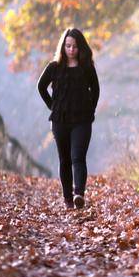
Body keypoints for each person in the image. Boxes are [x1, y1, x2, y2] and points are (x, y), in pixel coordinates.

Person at [37, 28, 100, 209]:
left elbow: (95, 90)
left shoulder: (86, 68)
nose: (71, 50)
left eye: (75, 46)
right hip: (60, 121)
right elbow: (41, 87)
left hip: (82, 121)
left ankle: (79, 194)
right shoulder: (54, 67)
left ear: (81, 48)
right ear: (63, 47)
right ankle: (67, 199)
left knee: (78, 157)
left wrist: (90, 110)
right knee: (64, 160)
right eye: (68, 46)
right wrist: (53, 106)